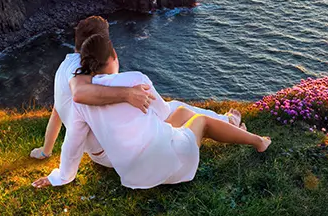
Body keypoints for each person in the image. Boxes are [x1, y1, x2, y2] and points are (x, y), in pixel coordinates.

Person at [32, 33, 270, 189]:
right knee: (200, 122)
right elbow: (165, 113)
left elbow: (72, 145)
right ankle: (259, 142)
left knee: (179, 118)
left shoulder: (81, 102)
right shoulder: (135, 79)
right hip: (171, 164)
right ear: (113, 56)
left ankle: (230, 122)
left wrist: (59, 178)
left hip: (132, 175)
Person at [30, 16, 240, 163]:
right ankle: (228, 122)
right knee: (174, 110)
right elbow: (79, 94)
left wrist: (45, 151)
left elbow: (58, 111)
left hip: (97, 153)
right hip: (113, 155)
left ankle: (224, 121)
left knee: (167, 111)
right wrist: (129, 94)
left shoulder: (64, 67)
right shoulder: (86, 75)